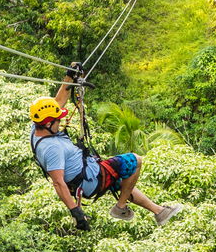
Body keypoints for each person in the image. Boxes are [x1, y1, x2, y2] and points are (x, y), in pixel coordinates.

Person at [29, 82, 184, 231]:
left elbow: (57, 102)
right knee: (135, 160)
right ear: (48, 124)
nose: (61, 121)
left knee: (124, 183)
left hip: (89, 172)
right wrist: (75, 211)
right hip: (91, 179)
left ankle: (159, 211)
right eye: (58, 120)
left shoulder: (37, 129)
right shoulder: (52, 149)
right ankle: (120, 208)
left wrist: (70, 76)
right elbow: (58, 182)